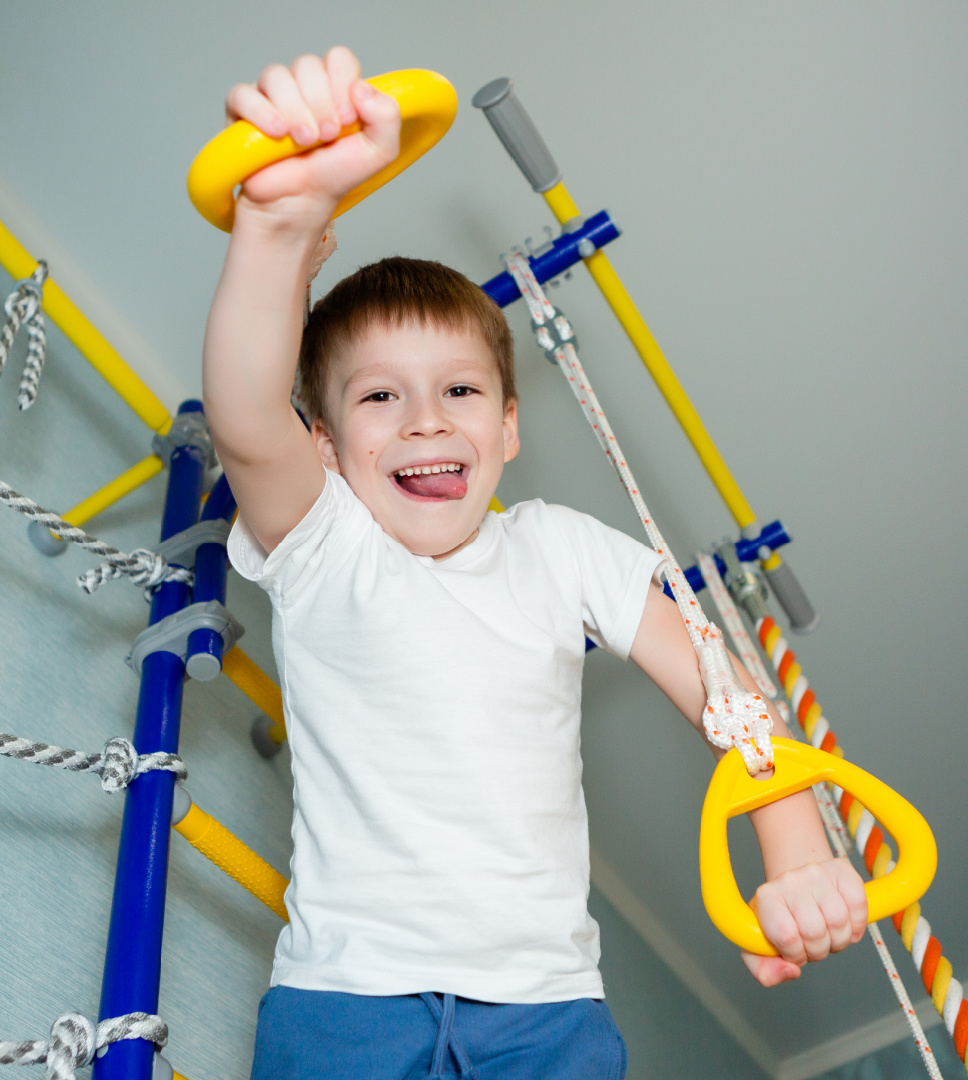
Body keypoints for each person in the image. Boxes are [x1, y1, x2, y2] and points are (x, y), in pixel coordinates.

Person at [202, 46, 867, 1080]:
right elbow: (245, 414)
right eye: (381, 398)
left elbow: (727, 694)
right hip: (344, 1000)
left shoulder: (559, 548)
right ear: (326, 449)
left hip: (549, 1013)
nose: (426, 420)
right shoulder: (327, 548)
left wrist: (795, 845)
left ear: (509, 430)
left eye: (460, 393)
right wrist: (279, 230)